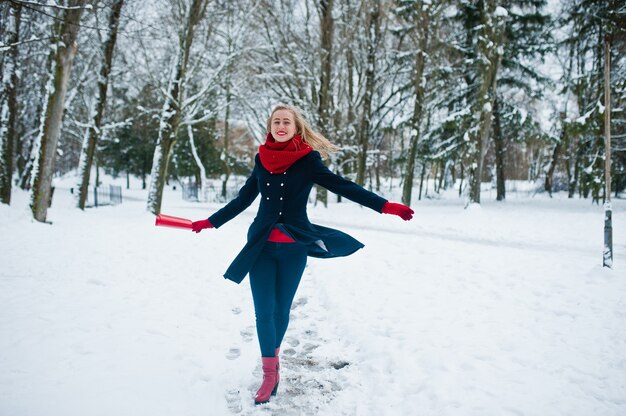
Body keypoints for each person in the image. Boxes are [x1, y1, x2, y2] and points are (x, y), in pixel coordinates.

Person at [191, 104, 413, 405]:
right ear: (270, 127)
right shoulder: (261, 159)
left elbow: (342, 186)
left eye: (287, 122)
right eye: (276, 121)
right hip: (261, 247)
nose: (281, 125)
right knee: (263, 312)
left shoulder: (308, 160)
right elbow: (243, 198)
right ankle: (269, 374)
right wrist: (210, 222)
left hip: (294, 248)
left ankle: (274, 358)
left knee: (281, 311)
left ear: (296, 128)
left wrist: (386, 206)